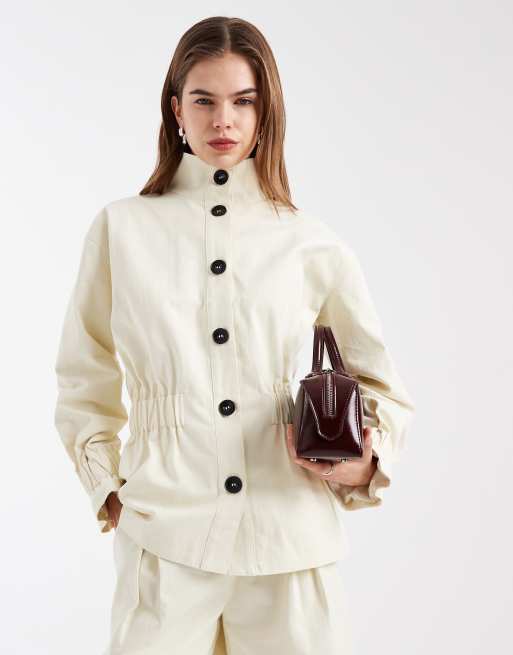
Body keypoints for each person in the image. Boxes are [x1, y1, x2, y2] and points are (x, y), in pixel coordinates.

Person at [54, 15, 415, 655]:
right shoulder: (121, 230)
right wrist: (107, 488)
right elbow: (84, 374)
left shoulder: (310, 241)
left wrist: (360, 461)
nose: (224, 120)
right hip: (164, 532)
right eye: (204, 100)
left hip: (290, 539)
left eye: (243, 101)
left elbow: (381, 385)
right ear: (176, 110)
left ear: (265, 111)